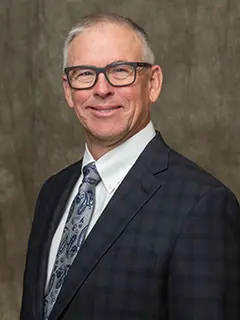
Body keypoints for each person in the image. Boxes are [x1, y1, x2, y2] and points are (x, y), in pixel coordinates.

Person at [20, 13, 240, 320]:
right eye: (85, 74)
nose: (101, 89)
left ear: (153, 83)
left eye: (120, 71)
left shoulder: (203, 205)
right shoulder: (53, 192)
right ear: (68, 90)